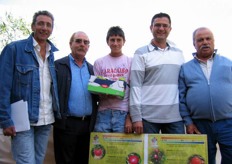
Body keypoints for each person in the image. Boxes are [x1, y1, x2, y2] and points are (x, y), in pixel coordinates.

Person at [0, 10, 60, 164]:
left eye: (48, 25)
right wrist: (5, 120)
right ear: (33, 26)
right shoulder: (14, 49)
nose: (44, 28)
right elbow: (3, 87)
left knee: (37, 161)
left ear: (52, 29)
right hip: (22, 121)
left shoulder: (51, 55)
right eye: (41, 23)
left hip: (46, 120)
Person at [179, 27, 232, 164]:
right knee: (203, 160)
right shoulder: (186, 68)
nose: (205, 42)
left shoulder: (228, 64)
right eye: (200, 40)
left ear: (214, 41)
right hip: (200, 125)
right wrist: (188, 122)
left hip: (228, 123)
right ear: (194, 44)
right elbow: (181, 97)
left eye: (208, 39)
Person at [129, 12, 185, 134]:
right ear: (151, 28)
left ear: (170, 28)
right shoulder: (140, 53)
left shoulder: (178, 53)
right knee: (148, 153)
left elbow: (182, 86)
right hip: (148, 118)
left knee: (175, 154)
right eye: (157, 25)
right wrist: (136, 117)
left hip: (175, 118)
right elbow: (135, 86)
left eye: (165, 26)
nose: (161, 28)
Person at [53, 31, 98, 164]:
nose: (82, 45)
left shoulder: (92, 69)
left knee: (84, 161)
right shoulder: (58, 66)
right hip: (66, 124)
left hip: (88, 125)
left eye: (86, 42)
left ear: (88, 47)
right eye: (78, 41)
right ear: (70, 44)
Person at [93, 26, 132, 133]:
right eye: (112, 40)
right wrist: (105, 92)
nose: (115, 43)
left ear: (124, 42)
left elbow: (134, 90)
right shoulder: (99, 62)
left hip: (123, 113)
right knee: (101, 147)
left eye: (119, 40)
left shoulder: (130, 62)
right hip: (103, 113)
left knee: (121, 149)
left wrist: (130, 117)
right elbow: (96, 89)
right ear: (107, 42)